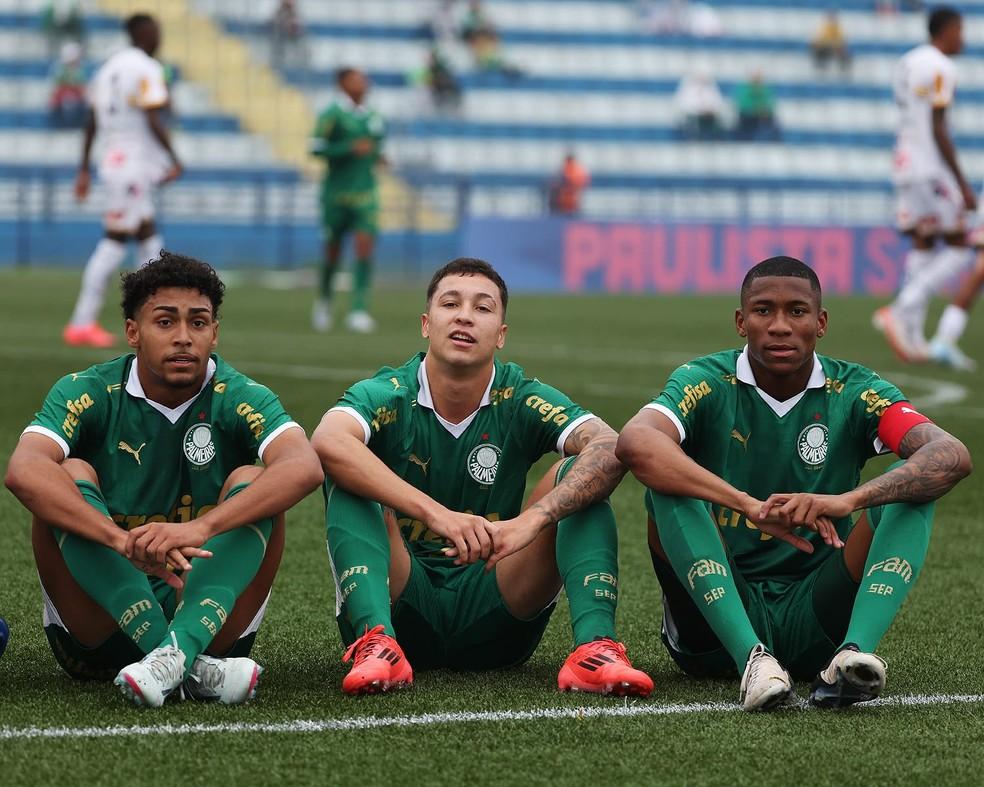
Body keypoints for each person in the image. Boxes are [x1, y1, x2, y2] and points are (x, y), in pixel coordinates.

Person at [616, 256, 971, 711]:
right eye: (763, 311)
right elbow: (635, 441)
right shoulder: (704, 381)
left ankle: (849, 656)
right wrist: (744, 503)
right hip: (717, 626)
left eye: (797, 312)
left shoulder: (857, 391)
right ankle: (753, 660)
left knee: (915, 487)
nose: (780, 326)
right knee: (665, 484)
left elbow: (950, 454)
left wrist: (849, 500)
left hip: (817, 613)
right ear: (741, 322)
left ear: (820, 322)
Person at [311, 257, 653, 697]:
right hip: (401, 601)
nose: (465, 316)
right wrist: (438, 515)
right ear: (426, 324)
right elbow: (327, 440)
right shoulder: (388, 392)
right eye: (450, 303)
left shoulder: (521, 396)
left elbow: (609, 445)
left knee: (579, 479)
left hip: (496, 610)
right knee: (348, 475)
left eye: (483, 308)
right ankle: (375, 640)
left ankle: (595, 648)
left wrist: (531, 521)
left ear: (502, 334)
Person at [5, 252, 324, 707]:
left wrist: (200, 528)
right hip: (98, 636)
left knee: (256, 480)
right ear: (133, 332)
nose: (183, 338)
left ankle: (176, 656)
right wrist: (120, 541)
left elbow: (304, 466)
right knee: (67, 473)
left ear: (214, 333)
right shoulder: (88, 389)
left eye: (198, 323)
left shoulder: (240, 395)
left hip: (208, 618)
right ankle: (188, 666)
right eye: (165, 322)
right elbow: (23, 470)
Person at [63, 13, 183, 349]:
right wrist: (175, 158)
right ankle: (81, 323)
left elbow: (91, 120)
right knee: (115, 241)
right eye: (157, 31)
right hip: (132, 164)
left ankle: (155, 315)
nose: (160, 38)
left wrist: (84, 168)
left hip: (116, 160)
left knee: (147, 234)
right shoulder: (146, 67)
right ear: (144, 33)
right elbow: (153, 115)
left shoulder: (106, 69)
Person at [874, 7, 975, 363]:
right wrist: (962, 183)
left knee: (924, 242)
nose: (963, 37)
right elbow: (937, 125)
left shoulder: (908, 61)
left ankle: (913, 337)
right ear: (945, 30)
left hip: (904, 161)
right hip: (931, 167)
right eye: (960, 29)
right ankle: (901, 309)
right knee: (961, 246)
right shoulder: (941, 67)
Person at [310, 67, 385, 334]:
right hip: (336, 196)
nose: (362, 83)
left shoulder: (374, 117)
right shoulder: (331, 115)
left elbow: (376, 149)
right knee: (333, 253)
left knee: (365, 249)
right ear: (342, 84)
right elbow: (316, 148)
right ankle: (325, 301)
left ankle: (358, 309)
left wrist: (379, 158)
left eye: (364, 79)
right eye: (355, 79)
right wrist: (347, 149)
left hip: (366, 195)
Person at [674, 69, 727, 140]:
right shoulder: (688, 89)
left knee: (715, 121)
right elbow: (683, 105)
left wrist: (710, 109)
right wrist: (699, 110)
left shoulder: (711, 89)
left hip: (709, 116)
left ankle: (713, 140)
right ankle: (694, 139)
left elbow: (718, 103)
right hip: (694, 116)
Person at [49, 41, 87, 128]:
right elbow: (55, 93)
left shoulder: (81, 71)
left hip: (77, 106)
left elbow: (83, 91)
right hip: (60, 107)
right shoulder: (59, 70)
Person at [733, 70, 780, 140]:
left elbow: (770, 105)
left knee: (771, 119)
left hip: (761, 116)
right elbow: (743, 105)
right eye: (755, 79)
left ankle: (772, 140)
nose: (756, 81)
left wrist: (762, 109)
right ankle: (743, 139)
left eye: (758, 79)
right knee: (745, 118)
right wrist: (756, 109)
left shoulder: (765, 90)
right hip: (748, 116)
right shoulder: (745, 90)